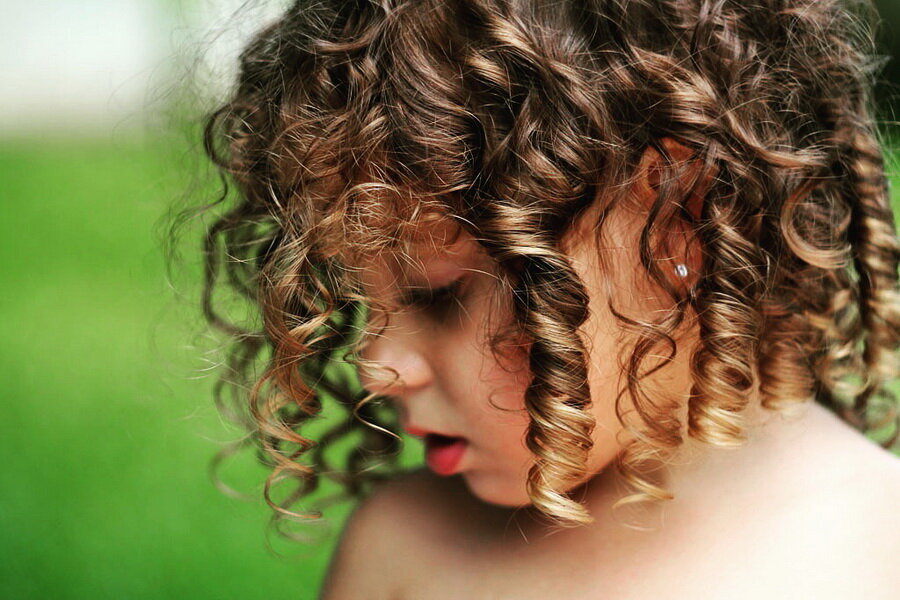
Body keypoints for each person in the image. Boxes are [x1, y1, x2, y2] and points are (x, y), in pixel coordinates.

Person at [192, 0, 900, 597]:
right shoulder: (404, 546)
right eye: (357, 298)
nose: (377, 365)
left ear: (674, 222)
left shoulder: (870, 549)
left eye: (439, 296)